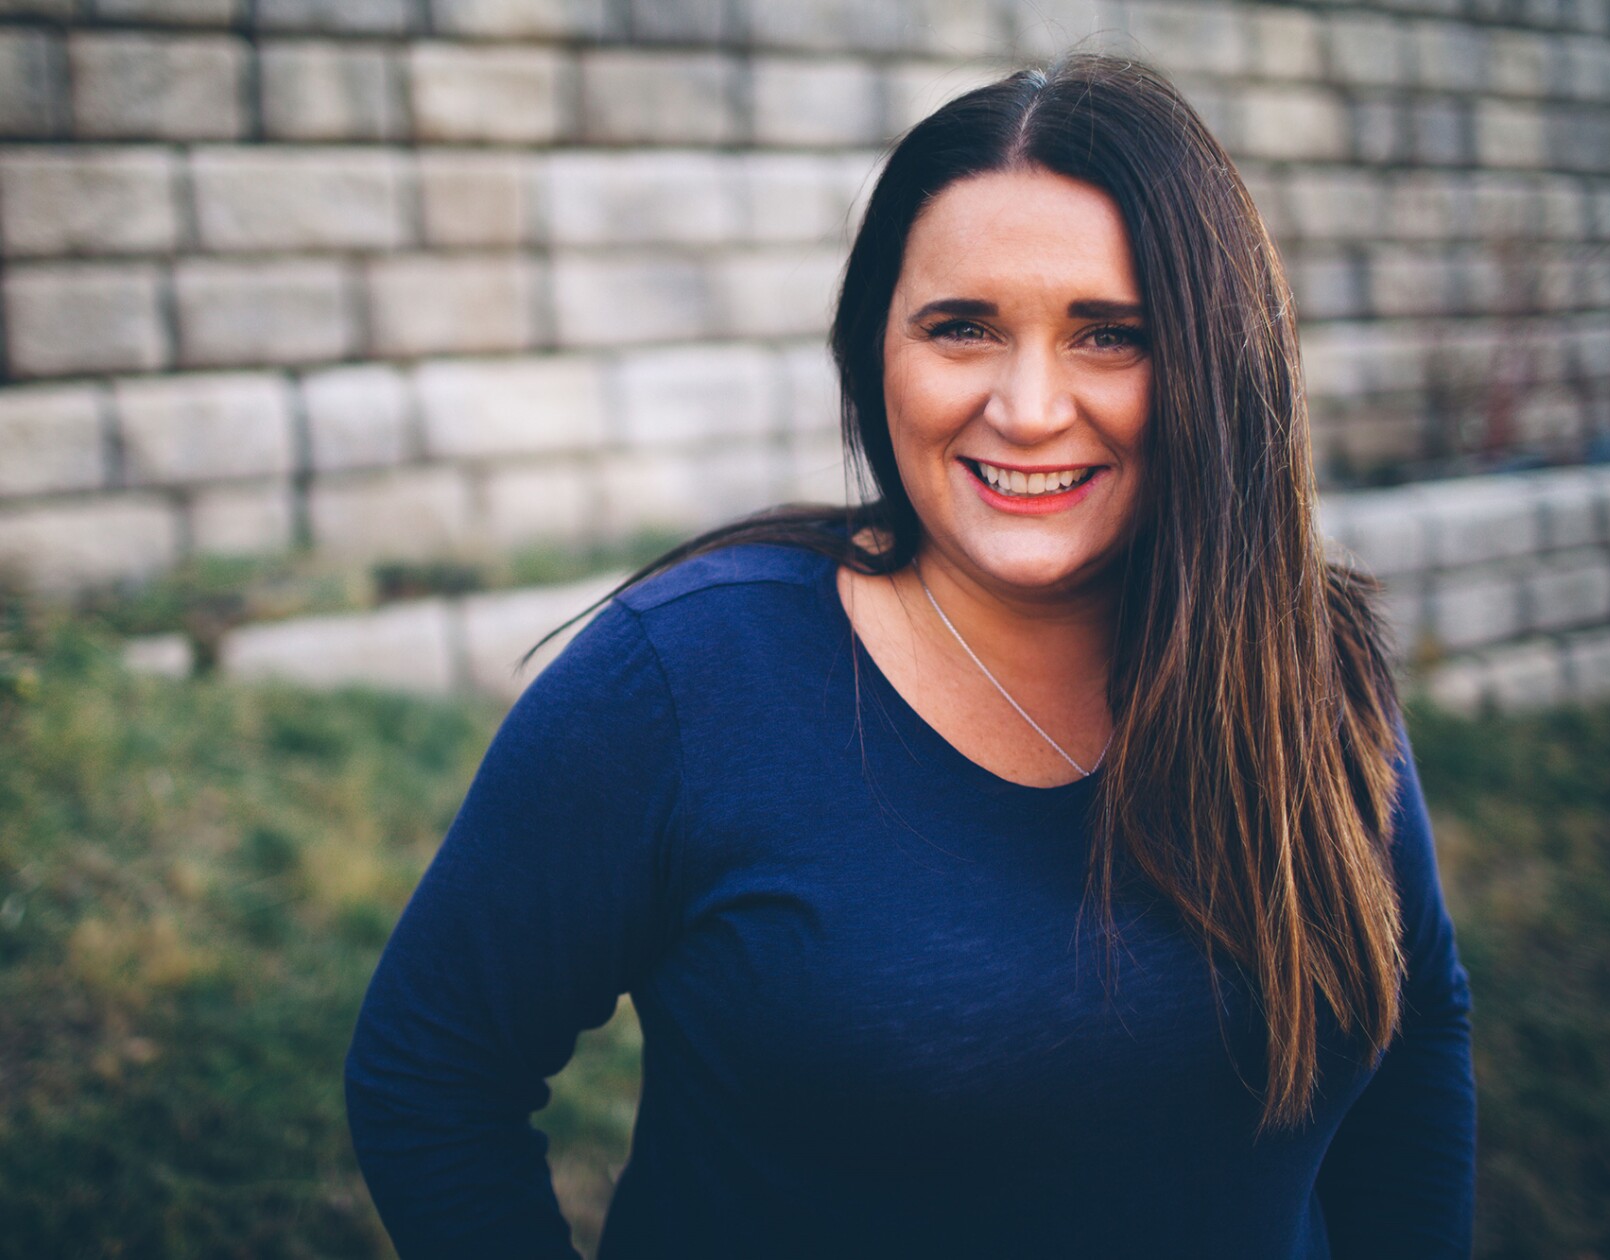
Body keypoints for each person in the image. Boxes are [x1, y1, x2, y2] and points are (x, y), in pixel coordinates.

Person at [345, 53, 1475, 1258]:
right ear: (872, 350)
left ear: (1217, 363)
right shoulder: (684, 680)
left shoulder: (1300, 666)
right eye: (961, 327)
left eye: (1110, 334)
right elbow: (432, 1075)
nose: (1029, 408)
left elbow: (1416, 1041)